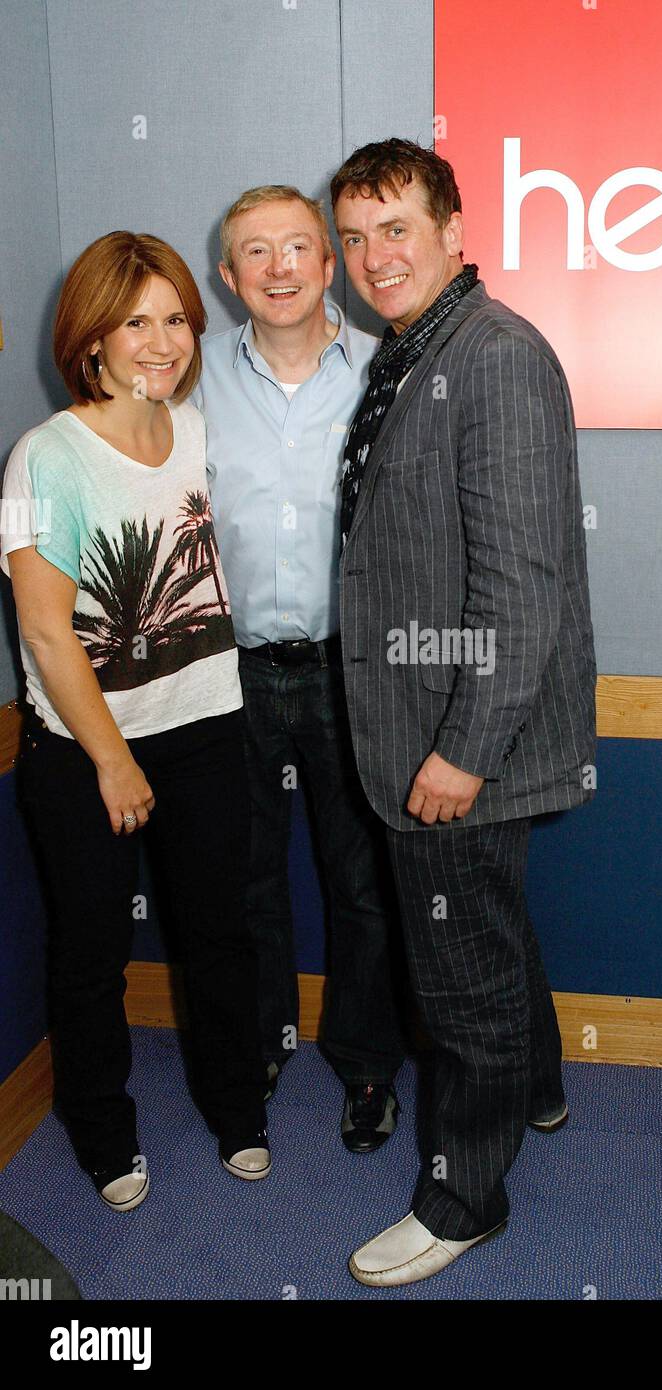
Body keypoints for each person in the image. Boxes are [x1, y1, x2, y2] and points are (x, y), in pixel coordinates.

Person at [331, 139, 598, 1285]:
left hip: (456, 744)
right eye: (354, 236)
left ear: (450, 229)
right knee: (487, 935)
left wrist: (459, 751)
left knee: (458, 978)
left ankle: (462, 1196)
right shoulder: (418, 351)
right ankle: (534, 1089)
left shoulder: (490, 358)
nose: (369, 257)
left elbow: (520, 583)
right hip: (431, 723)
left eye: (395, 228)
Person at [0, 232, 269, 1211]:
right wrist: (113, 761)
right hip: (83, 751)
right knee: (91, 955)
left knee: (219, 937)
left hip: (204, 726)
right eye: (135, 322)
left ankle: (238, 1109)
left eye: (175, 320)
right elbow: (43, 627)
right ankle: (104, 1135)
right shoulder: (40, 458)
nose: (161, 342)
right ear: (91, 340)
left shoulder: (195, 431)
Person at [193, 186, 408, 1150]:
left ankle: (367, 1066)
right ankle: (263, 1044)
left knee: (362, 878)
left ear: (330, 265)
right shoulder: (186, 379)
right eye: (254, 253)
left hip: (351, 671)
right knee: (245, 880)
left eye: (296, 249)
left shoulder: (392, 373)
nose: (278, 268)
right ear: (228, 276)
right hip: (227, 671)